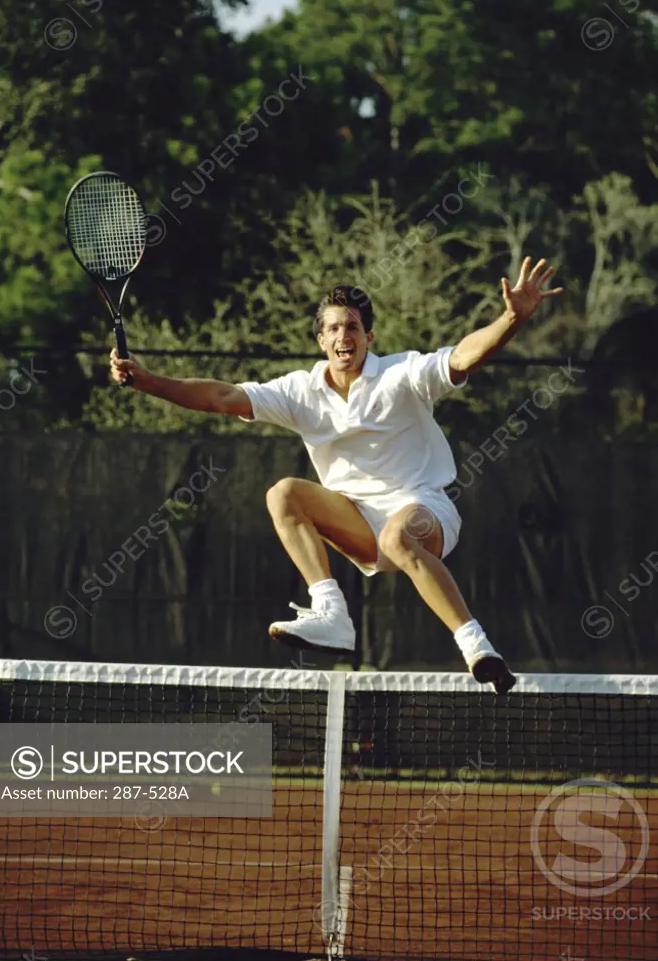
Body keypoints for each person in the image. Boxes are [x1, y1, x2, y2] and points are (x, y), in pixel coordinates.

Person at [110, 256, 562, 693]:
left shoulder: (402, 373)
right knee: (284, 493)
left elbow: (462, 358)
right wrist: (150, 382)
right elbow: (222, 398)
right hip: (356, 523)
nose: (343, 335)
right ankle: (331, 613)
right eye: (333, 328)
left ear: (369, 336)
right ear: (321, 341)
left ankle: (476, 647)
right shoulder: (300, 391)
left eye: (352, 327)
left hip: (426, 512)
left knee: (396, 538)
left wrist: (511, 319)